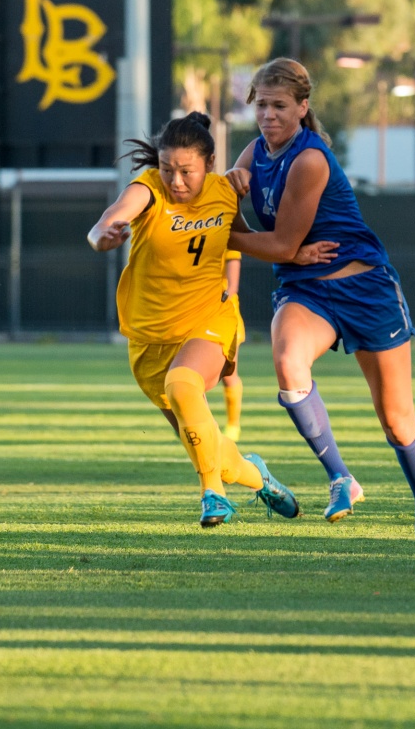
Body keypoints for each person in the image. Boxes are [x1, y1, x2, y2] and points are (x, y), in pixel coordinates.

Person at [225, 57, 415, 573]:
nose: (269, 115)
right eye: (261, 104)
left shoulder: (310, 160)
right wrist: (230, 194)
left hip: (364, 287)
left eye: (280, 106)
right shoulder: (251, 153)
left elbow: (279, 242)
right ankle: (340, 477)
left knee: (397, 421)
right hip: (306, 290)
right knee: (286, 363)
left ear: (303, 108)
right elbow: (254, 235)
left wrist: (250, 240)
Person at [87, 112, 300, 527]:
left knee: (183, 384)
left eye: (186, 171)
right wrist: (104, 235)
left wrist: (297, 252)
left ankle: (212, 497)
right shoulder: (148, 190)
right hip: (149, 337)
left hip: (210, 318)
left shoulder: (224, 192)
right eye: (167, 169)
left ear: (210, 163)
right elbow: (108, 219)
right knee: (211, 450)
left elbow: (241, 240)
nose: (176, 181)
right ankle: (257, 477)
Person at [220, 250, 245, 442]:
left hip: (223, 310)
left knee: (228, 373)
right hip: (193, 307)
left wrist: (229, 293)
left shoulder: (223, 225)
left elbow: (233, 259)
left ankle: (233, 424)